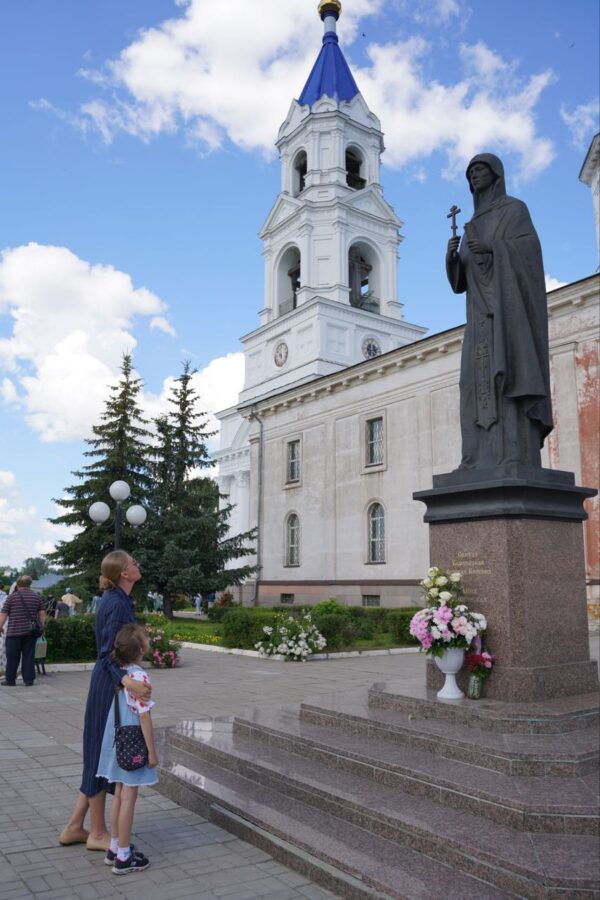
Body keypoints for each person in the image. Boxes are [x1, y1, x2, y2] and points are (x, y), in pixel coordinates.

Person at [445, 153, 552, 471]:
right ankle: (474, 459)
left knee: (506, 380)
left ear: (496, 175)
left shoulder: (514, 210)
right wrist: (452, 259)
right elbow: (462, 280)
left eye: (479, 170)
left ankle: (515, 455)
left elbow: (530, 251)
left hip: (507, 317)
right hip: (477, 319)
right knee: (472, 385)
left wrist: (495, 248)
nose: (474, 177)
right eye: (470, 173)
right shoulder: (472, 224)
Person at [58, 550, 151, 851]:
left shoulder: (118, 601)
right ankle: (97, 833)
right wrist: (127, 681)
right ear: (124, 573)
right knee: (99, 755)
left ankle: (75, 826)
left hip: (109, 682)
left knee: (97, 752)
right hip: (109, 684)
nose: (138, 566)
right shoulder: (117, 604)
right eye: (133, 563)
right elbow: (107, 652)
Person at [96, 623, 157, 875]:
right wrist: (152, 752)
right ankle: (123, 856)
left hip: (118, 740)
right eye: (146, 637)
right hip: (133, 744)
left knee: (119, 794)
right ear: (141, 649)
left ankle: (113, 848)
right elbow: (144, 717)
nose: (149, 638)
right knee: (129, 798)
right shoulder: (140, 678)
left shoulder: (123, 674)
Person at [0, 575, 46, 687]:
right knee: (29, 656)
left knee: (12, 657)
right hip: (31, 633)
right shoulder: (36, 597)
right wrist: (42, 626)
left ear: (18, 584)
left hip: (14, 632)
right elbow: (42, 613)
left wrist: (0, 626)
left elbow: (3, 614)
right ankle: (28, 680)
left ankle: (10, 680)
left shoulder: (11, 597)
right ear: (30, 584)